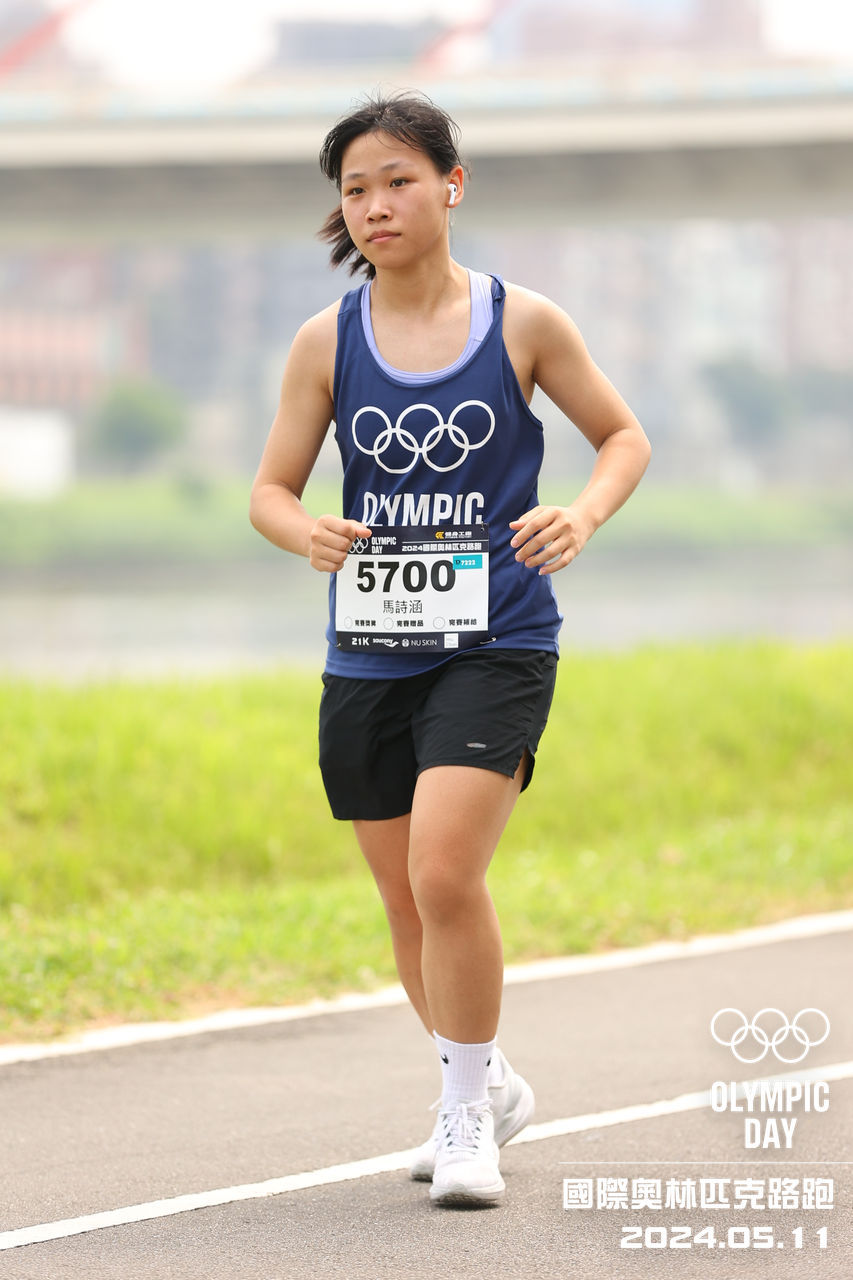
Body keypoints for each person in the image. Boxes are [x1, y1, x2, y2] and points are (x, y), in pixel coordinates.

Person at [250, 91, 651, 1207]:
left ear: (450, 186)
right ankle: (485, 1078)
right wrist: (305, 531)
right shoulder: (325, 341)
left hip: (498, 637)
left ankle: (465, 1119)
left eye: (398, 181)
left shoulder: (523, 323)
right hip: (369, 646)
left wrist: (581, 514)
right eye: (355, 189)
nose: (375, 205)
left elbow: (622, 436)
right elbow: (270, 490)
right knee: (404, 899)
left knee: (443, 871)